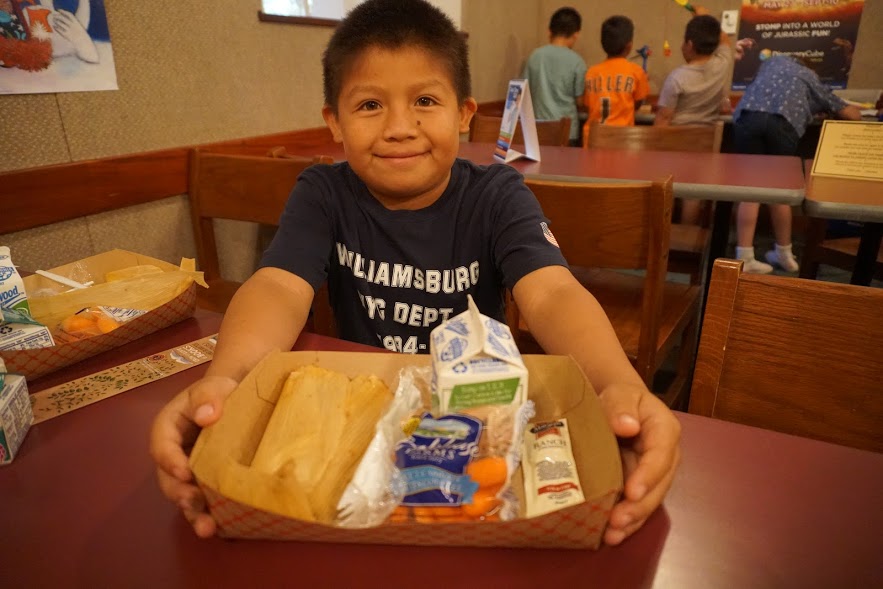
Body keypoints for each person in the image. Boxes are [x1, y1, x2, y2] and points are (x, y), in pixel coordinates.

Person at [149, 0, 681, 547]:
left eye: (425, 100)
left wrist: (617, 384)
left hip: (479, 424)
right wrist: (230, 380)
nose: (400, 128)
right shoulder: (324, 192)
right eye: (370, 104)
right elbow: (280, 286)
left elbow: (551, 294)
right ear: (334, 121)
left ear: (464, 114)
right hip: (365, 422)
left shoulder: (497, 196)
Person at [732, 55, 862, 274]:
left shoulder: (768, 65)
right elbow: (852, 115)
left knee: (750, 189)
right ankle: (785, 254)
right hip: (783, 123)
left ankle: (744, 256)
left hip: (747, 118)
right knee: (780, 189)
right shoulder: (809, 75)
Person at [655, 8, 731, 226]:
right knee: (693, 193)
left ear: (689, 45)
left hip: (675, 144)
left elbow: (663, 120)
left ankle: (664, 231)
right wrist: (703, 17)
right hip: (705, 145)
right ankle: (687, 235)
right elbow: (724, 38)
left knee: (664, 188)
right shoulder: (722, 64)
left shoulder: (677, 78)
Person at [522, 7, 587, 145]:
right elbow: (580, 101)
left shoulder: (534, 56)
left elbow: (523, 93)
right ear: (576, 35)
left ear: (549, 31)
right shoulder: (577, 61)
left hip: (538, 130)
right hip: (568, 131)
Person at [582, 15, 649, 147]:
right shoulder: (636, 71)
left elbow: (588, 105)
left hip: (592, 140)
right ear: (629, 46)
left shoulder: (591, 72)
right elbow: (639, 102)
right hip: (622, 139)